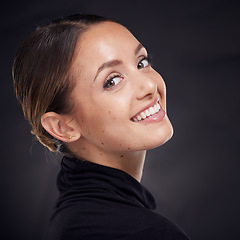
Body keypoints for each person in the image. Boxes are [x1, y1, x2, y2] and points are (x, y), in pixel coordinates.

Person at [12, 14, 190, 240]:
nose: (149, 84)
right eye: (112, 81)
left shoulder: (72, 219)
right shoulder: (148, 233)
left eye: (141, 63)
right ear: (62, 126)